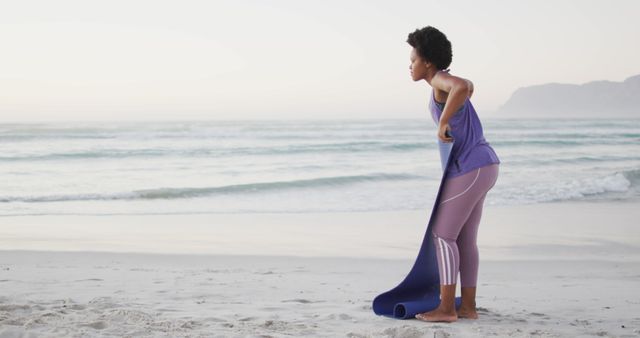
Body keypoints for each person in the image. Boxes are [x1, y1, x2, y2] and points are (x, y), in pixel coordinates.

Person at [407, 26, 500, 322]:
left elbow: (463, 85)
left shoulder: (438, 80)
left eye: (413, 60)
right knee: (464, 239)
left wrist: (443, 121)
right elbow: (467, 86)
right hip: (485, 165)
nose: (410, 66)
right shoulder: (441, 84)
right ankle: (468, 308)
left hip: (471, 167)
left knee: (443, 235)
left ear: (428, 63)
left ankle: (447, 308)